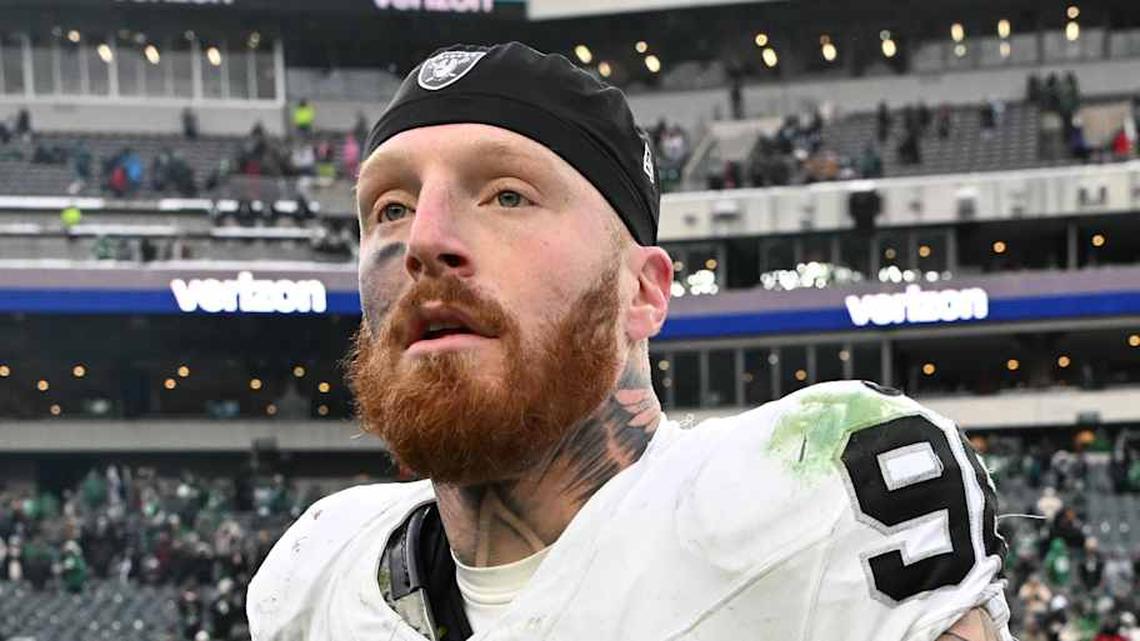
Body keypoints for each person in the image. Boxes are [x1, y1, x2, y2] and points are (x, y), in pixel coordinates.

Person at [247, 42, 1013, 641]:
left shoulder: (814, 494)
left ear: (642, 291)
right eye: (389, 207)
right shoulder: (315, 575)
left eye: (506, 194)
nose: (425, 239)